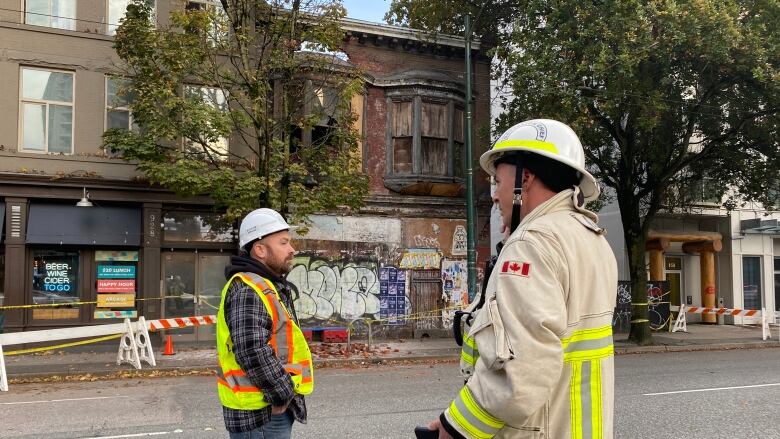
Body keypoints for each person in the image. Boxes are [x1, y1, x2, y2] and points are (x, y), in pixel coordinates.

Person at [427, 119, 618, 438]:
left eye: (497, 182)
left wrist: (455, 427)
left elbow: (523, 368)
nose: (494, 196)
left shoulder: (532, 244)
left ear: (524, 179)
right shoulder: (591, 238)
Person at [216, 208, 313, 439]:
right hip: (262, 414)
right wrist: (281, 392)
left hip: (266, 410)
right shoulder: (248, 289)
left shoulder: (264, 284)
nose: (292, 250)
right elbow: (251, 349)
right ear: (260, 249)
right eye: (283, 243)